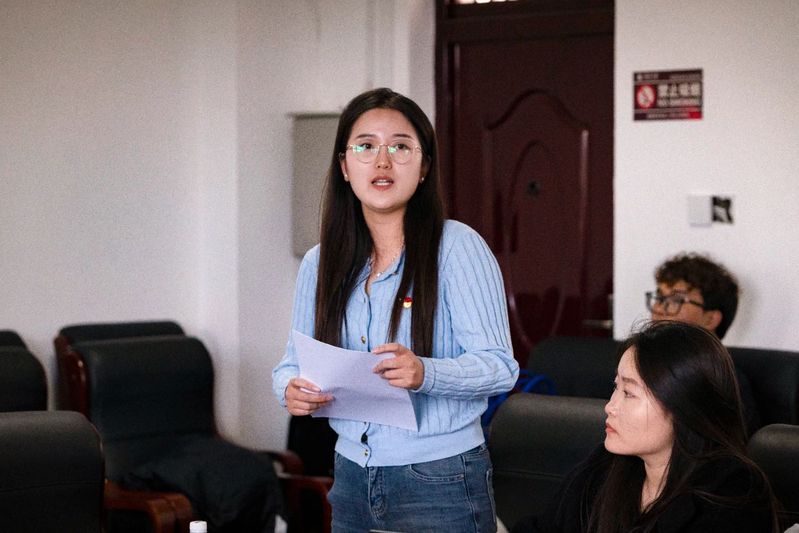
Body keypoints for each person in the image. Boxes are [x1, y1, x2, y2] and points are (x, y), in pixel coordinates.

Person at [272, 87, 519, 532]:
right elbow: (292, 363)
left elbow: (501, 368)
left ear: (423, 167)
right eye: (365, 146)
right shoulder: (319, 262)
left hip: (440, 477)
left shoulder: (457, 247)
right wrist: (290, 390)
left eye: (401, 147)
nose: (382, 161)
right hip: (350, 474)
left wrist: (426, 372)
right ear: (344, 166)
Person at [513, 320, 778, 533]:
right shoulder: (607, 464)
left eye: (629, 393)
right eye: (616, 387)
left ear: (682, 406)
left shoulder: (735, 492)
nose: (610, 406)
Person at [645, 252, 761, 434]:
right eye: (659, 298)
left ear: (710, 319)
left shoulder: (725, 383)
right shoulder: (641, 364)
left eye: (675, 300)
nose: (659, 309)